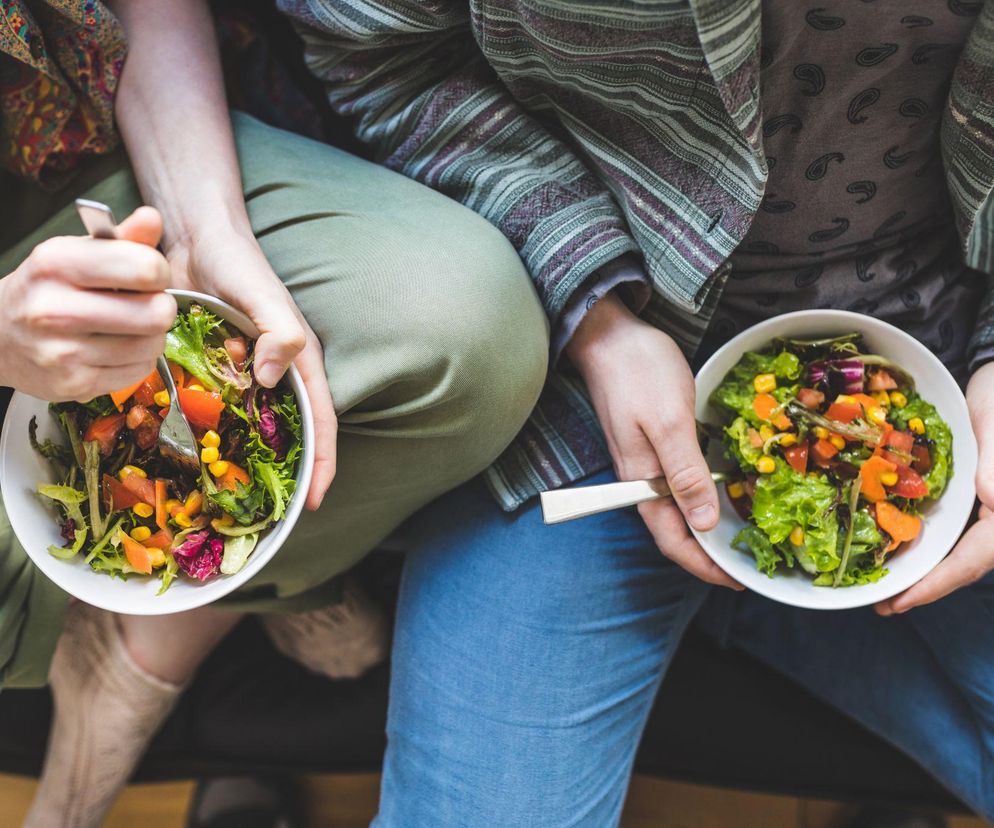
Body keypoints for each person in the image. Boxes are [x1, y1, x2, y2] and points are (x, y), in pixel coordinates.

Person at [277, 1, 994, 825]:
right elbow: (379, 54)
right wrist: (601, 323)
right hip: (574, 363)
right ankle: (768, 608)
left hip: (945, 340)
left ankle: (758, 608)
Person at [0, 1, 547, 825]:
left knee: (470, 330)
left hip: (80, 150)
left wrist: (200, 231)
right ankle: (180, 637)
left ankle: (161, 634)